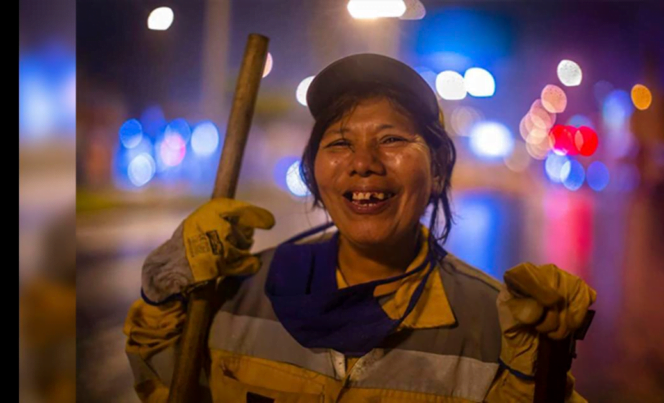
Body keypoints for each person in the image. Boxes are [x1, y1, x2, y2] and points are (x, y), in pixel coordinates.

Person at [124, 53, 596, 402]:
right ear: (314, 172)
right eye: (340, 143)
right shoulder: (236, 296)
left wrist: (541, 373)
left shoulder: (494, 327)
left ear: (436, 171)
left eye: (391, 140)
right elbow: (165, 385)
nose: (364, 164)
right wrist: (164, 299)